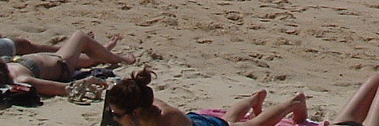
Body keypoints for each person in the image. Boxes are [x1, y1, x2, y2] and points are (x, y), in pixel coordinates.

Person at [105, 68, 309, 126]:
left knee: (250, 125)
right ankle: (254, 99)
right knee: (228, 119)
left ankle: (294, 102)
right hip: (195, 120)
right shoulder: (139, 102)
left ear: (135, 112)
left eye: (116, 114)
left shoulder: (167, 119)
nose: (113, 117)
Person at [0, 30, 134, 98]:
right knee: (80, 37)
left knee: (92, 58)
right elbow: (62, 88)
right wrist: (87, 81)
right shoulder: (22, 79)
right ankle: (120, 59)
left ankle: (104, 51)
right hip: (62, 65)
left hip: (54, 58)